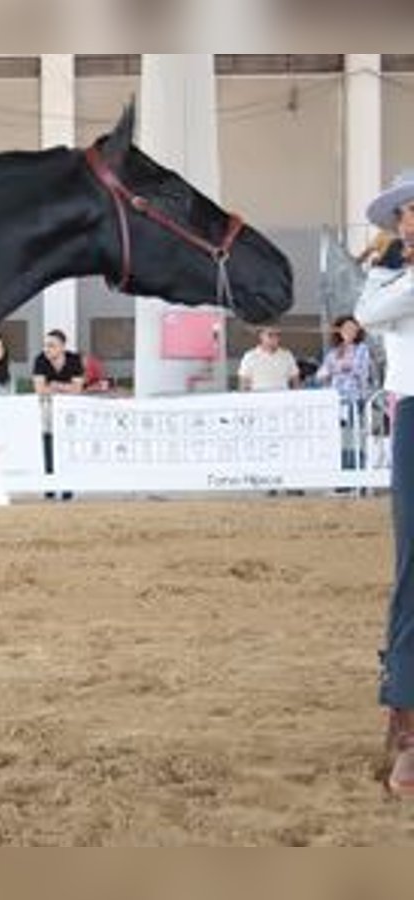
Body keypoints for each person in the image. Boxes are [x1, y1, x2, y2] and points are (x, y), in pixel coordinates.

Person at [354, 169, 414, 797]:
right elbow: (369, 312)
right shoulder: (394, 282)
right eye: (405, 212)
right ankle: (407, 714)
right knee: (413, 566)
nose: (410, 220)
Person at [315, 315, 374, 469]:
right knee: (339, 436)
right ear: (339, 331)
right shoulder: (333, 352)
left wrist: (335, 369)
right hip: (336, 400)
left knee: (354, 435)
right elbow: (320, 375)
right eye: (346, 328)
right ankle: (343, 472)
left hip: (355, 398)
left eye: (353, 328)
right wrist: (337, 368)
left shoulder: (362, 349)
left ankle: (357, 470)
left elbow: (360, 370)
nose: (349, 332)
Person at [33, 330, 84, 500]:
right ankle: (49, 486)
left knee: (68, 446)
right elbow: (40, 390)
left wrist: (55, 384)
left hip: (69, 410)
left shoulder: (74, 359)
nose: (47, 349)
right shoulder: (40, 360)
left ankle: (67, 485)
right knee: (48, 445)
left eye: (51, 345)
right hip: (47, 409)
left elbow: (77, 390)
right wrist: (65, 387)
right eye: (45, 345)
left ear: (62, 347)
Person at [237, 326, 299, 392]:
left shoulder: (287, 356)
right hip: (258, 400)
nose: (275, 338)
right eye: (270, 335)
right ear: (261, 336)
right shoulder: (249, 357)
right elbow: (243, 384)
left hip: (283, 400)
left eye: (278, 335)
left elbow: (295, 381)